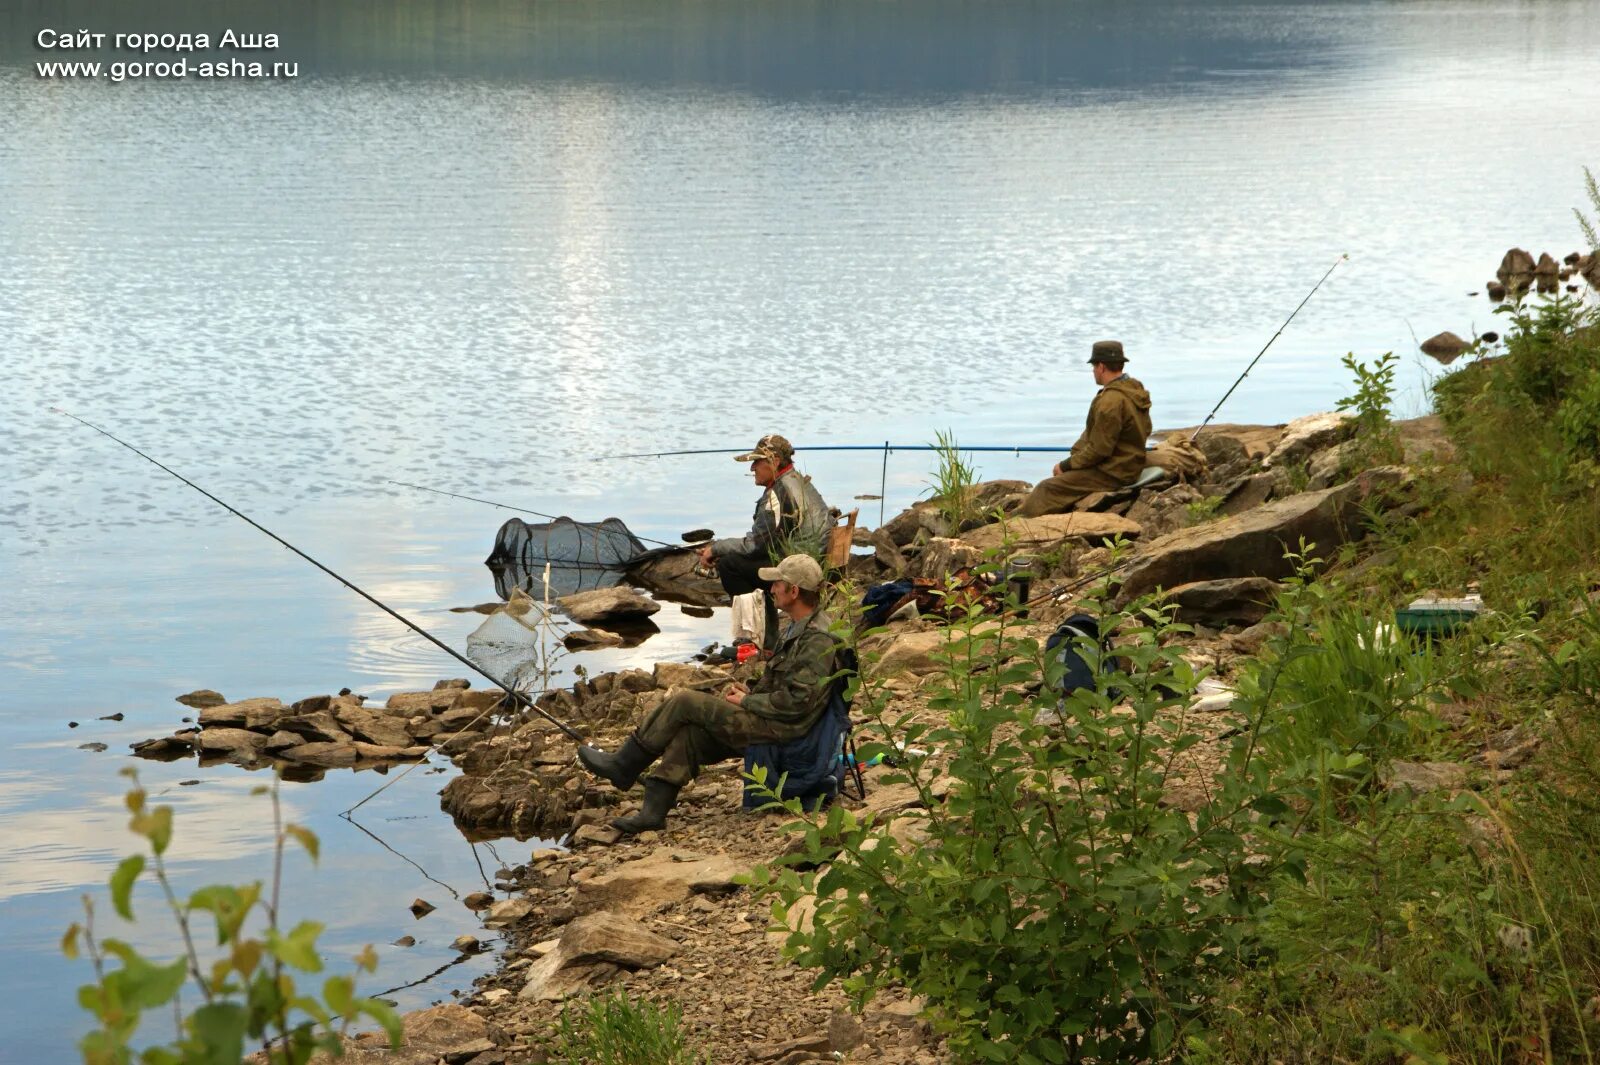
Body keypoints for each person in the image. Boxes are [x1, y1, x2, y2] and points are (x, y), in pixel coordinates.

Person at [577, 554, 841, 834]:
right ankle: (654, 811)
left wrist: (748, 701)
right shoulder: (801, 627)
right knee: (690, 734)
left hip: (786, 729)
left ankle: (623, 765)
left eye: (777, 584)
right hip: (778, 720)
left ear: (794, 591)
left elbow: (798, 702)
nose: (772, 589)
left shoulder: (816, 638)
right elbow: (789, 686)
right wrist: (750, 690)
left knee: (684, 701)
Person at [697, 433, 831, 649]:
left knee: (730, 565)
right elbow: (765, 540)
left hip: (799, 568)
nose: (752, 469)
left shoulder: (778, 493)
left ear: (774, 462)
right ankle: (767, 636)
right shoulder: (797, 480)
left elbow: (754, 546)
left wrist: (715, 548)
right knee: (737, 558)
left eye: (757, 462)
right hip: (813, 559)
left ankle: (759, 640)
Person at [1019, 340, 1152, 517]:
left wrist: (1065, 466)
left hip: (1114, 472)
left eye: (1093, 367)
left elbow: (1099, 450)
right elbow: (1147, 429)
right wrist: (1076, 458)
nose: (1093, 371)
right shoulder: (1134, 388)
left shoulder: (1110, 401)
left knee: (1046, 488)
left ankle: (1013, 523)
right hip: (1129, 463)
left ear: (1101, 367)